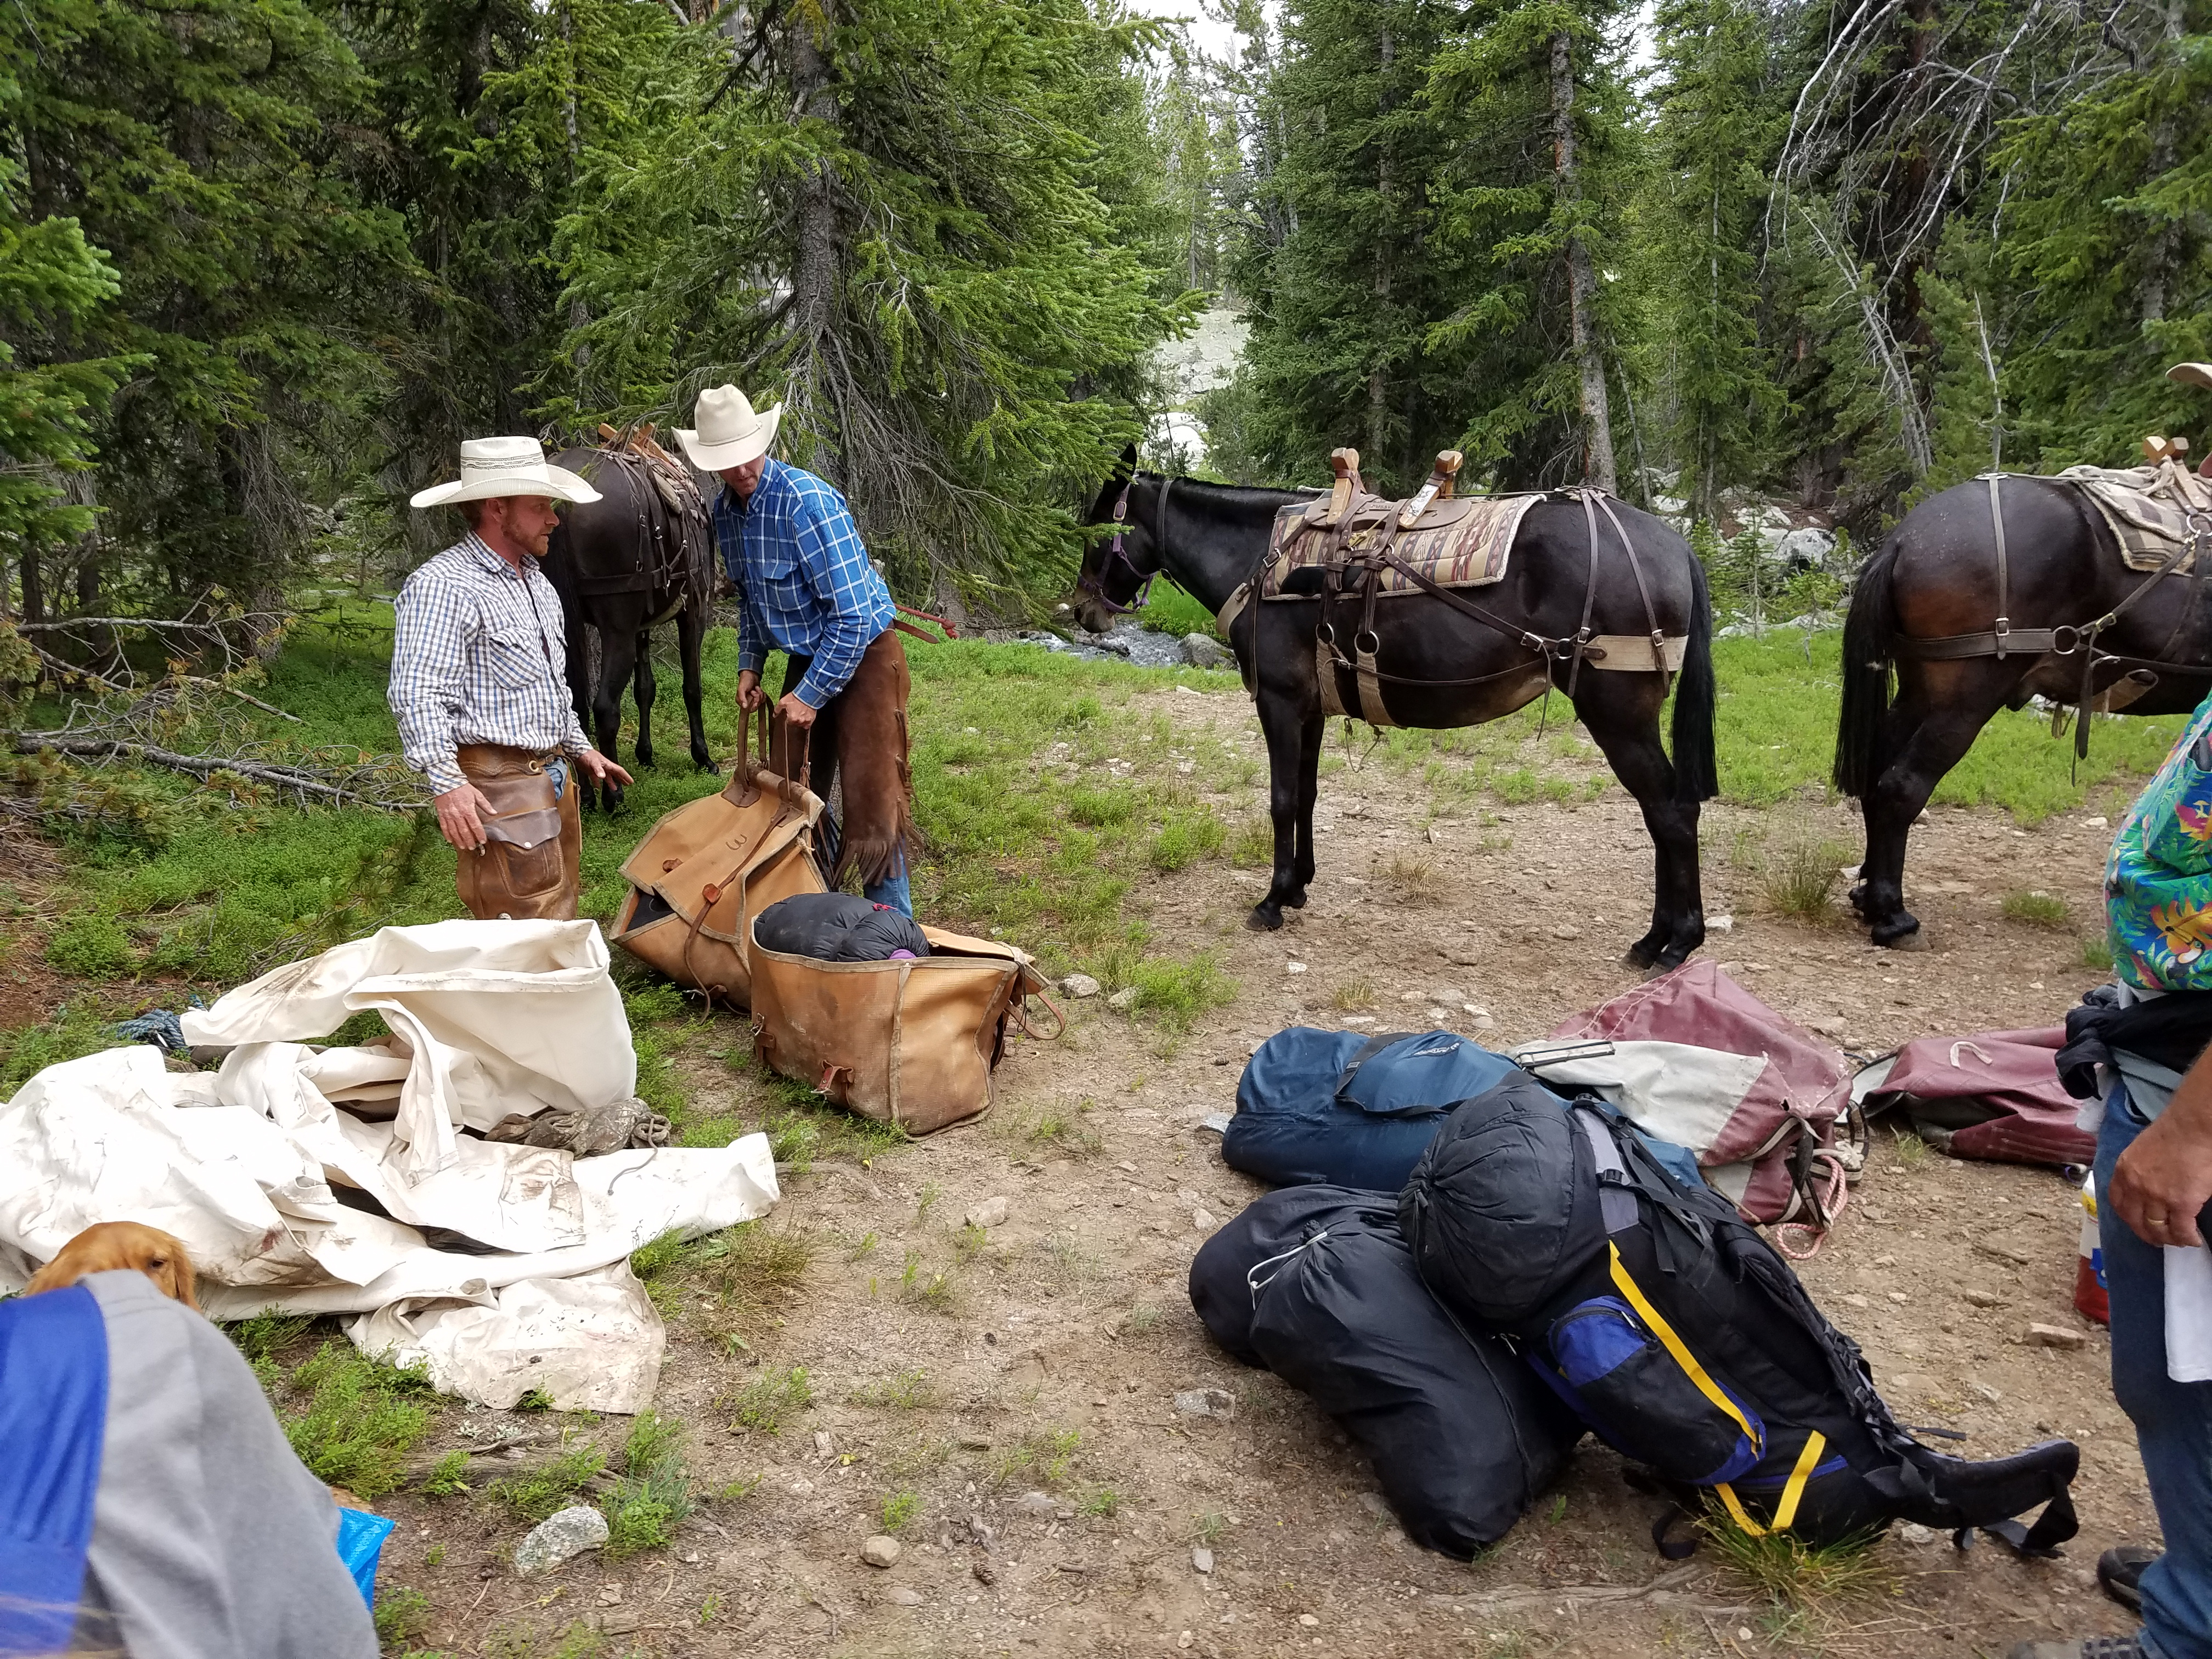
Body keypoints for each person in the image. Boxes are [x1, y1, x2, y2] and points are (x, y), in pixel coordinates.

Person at [2022, 708, 2212, 1659]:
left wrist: (2193, 1127)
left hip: (2194, 1093)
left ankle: (2191, 1627)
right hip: (2169, 1053)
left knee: (2187, 1376)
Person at [678, 386, 914, 916]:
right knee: (790, 787)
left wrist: (808, 695)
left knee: (872, 799)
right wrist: (750, 663)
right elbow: (752, 601)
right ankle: (818, 907)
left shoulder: (807, 502)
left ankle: (897, 937)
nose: (741, 470)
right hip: (809, 655)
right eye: (727, 462)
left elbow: (853, 618)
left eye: (747, 454)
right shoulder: (727, 514)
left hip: (867, 655)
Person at [391, 436, 631, 921]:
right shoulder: (445, 585)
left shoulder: (535, 582)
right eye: (540, 506)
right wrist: (447, 783)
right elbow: (418, 692)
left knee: (556, 911)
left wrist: (580, 747)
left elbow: (549, 684)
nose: (554, 519)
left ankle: (556, 995)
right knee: (518, 928)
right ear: (496, 508)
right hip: (497, 785)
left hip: (550, 779)